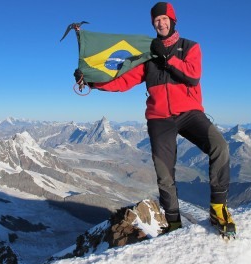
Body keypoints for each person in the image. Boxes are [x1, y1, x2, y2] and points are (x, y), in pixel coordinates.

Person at [74, 2, 236, 236]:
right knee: (164, 173)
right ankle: (173, 224)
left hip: (190, 113)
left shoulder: (190, 47)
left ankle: (218, 208)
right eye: (156, 20)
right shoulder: (148, 54)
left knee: (219, 146)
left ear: (173, 21)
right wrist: (90, 80)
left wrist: (168, 59)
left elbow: (193, 76)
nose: (160, 23)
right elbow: (124, 81)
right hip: (159, 118)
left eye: (164, 19)